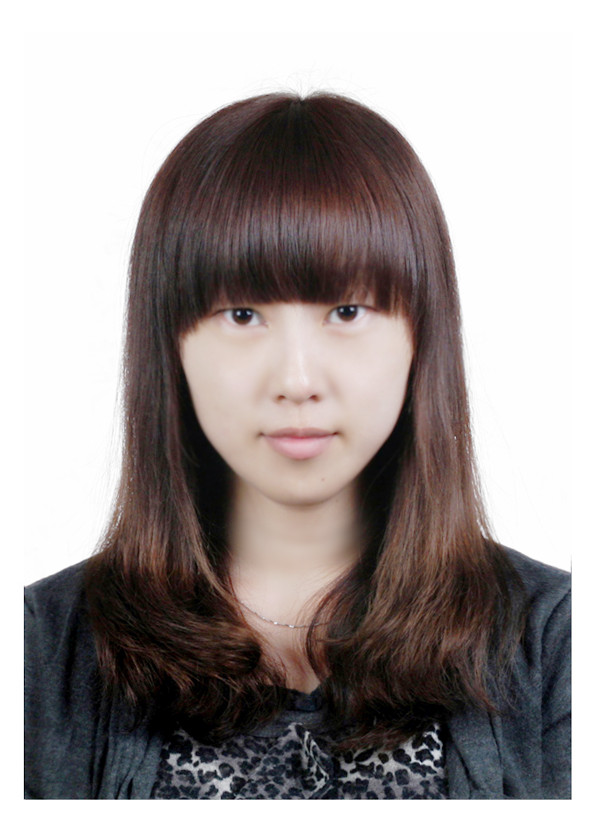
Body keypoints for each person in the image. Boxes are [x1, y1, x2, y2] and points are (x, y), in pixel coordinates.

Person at [24, 92, 571, 799]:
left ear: (420, 335)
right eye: (241, 314)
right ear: (172, 343)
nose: (296, 380)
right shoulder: (38, 648)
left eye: (347, 310)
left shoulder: (558, 641)